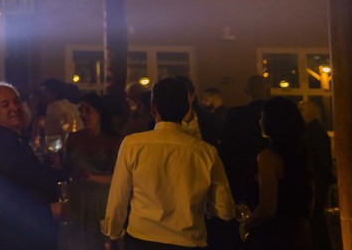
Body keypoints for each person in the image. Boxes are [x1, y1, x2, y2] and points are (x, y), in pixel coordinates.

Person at [102, 78, 235, 249]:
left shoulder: (132, 145)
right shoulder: (206, 152)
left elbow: (119, 196)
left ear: (153, 108)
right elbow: (225, 210)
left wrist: (113, 233)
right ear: (187, 108)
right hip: (188, 240)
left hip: (142, 239)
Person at [0, 82, 60, 250]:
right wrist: (49, 210)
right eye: (5, 105)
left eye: (16, 102)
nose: (14, 108)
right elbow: (2, 201)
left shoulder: (15, 139)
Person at [240, 97, 313, 250]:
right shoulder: (301, 156)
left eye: (262, 116)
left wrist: (248, 223)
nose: (259, 121)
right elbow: (311, 197)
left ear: (272, 122)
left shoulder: (267, 158)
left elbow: (267, 208)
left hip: (272, 236)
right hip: (298, 234)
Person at [62, 93, 121, 250]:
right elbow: (65, 170)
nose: (83, 115)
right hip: (77, 198)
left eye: (88, 110)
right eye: (81, 110)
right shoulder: (73, 138)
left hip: (102, 200)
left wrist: (92, 177)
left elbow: (119, 178)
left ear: (100, 113)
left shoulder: (114, 141)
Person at [221, 74, 269, 204]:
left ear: (247, 91)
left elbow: (226, 149)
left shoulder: (236, 115)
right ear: (268, 90)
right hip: (273, 175)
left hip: (241, 175)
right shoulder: (276, 114)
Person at [297, 99, 333, 250]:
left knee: (314, 218)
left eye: (302, 110)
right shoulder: (317, 130)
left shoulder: (311, 132)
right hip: (319, 180)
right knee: (316, 218)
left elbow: (314, 159)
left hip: (315, 180)